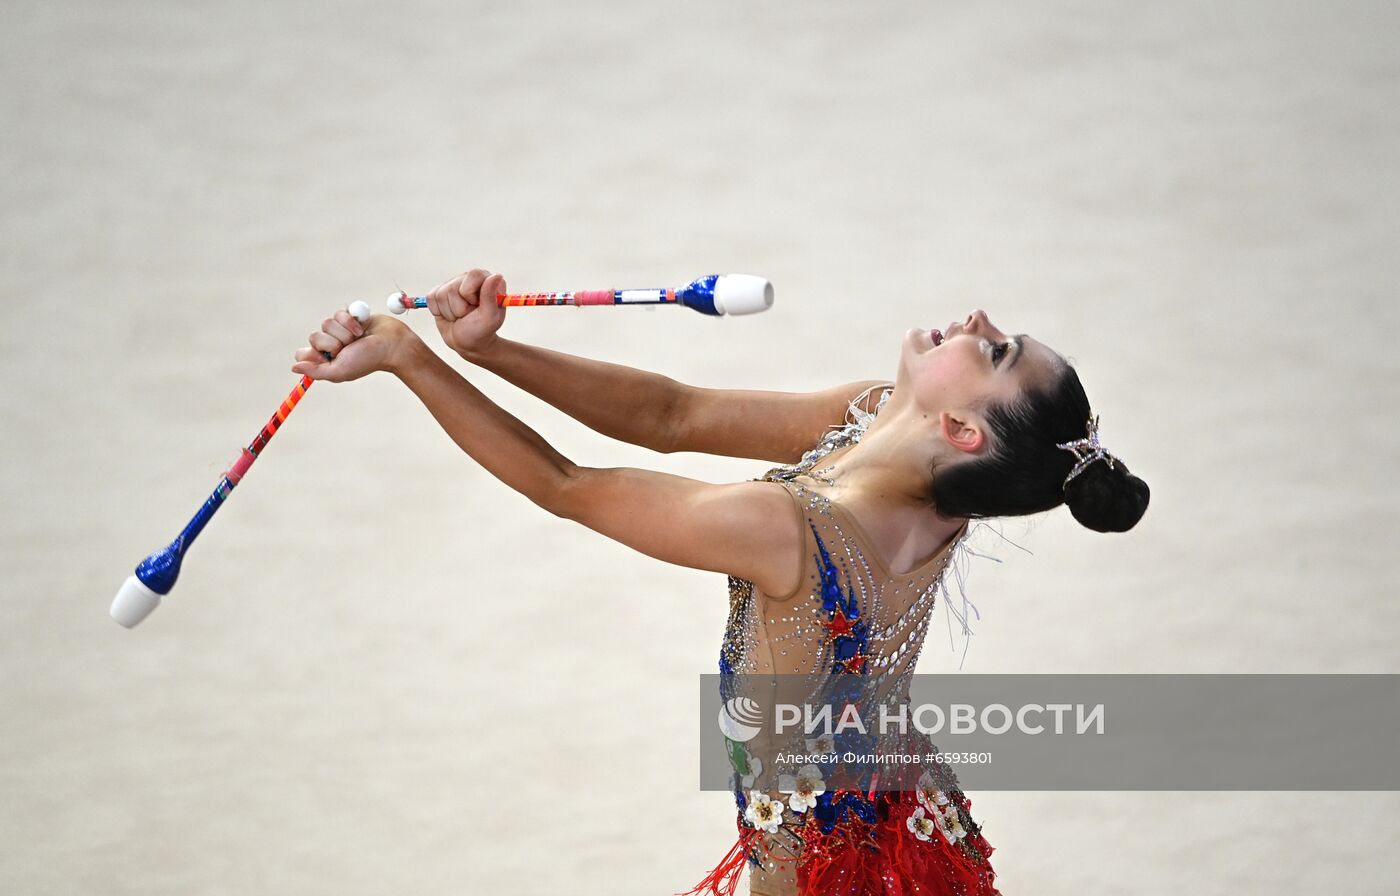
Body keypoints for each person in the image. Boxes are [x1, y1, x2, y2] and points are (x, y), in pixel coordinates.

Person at [292, 269, 1150, 896]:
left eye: (995, 349)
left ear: (961, 426)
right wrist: (491, 349)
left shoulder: (785, 531)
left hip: (813, 874)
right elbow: (675, 415)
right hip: (915, 821)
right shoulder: (920, 456)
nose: (977, 317)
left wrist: (411, 359)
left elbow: (564, 486)